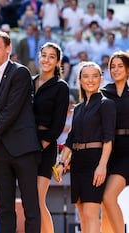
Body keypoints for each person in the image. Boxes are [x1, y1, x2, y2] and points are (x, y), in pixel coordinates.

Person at [0, 31, 42, 233]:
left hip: (23, 149)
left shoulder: (20, 72)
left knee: (30, 206)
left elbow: (11, 111)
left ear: (8, 49)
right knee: (4, 207)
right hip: (0, 150)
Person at [56, 62, 115, 233]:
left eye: (95, 76)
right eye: (86, 76)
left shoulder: (106, 104)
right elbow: (70, 139)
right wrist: (61, 164)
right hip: (78, 163)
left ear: (101, 78)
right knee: (82, 214)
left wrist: (102, 166)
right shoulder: (78, 108)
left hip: (95, 161)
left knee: (90, 213)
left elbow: (108, 138)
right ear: (79, 80)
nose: (90, 80)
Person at [32, 42, 69, 233]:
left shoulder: (61, 87)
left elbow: (58, 125)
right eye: (43, 55)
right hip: (26, 144)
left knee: (38, 199)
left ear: (57, 62)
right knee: (31, 202)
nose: (46, 59)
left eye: (51, 56)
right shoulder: (29, 82)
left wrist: (41, 145)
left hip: (45, 146)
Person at [100, 52, 129, 233]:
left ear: (127, 69)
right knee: (105, 205)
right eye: (112, 66)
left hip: (128, 151)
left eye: (120, 66)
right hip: (107, 151)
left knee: (108, 197)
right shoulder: (103, 93)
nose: (115, 69)